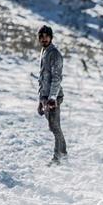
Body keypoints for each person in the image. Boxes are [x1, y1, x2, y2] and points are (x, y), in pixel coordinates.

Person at [36, 25, 67, 165]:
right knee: (53, 126)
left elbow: (56, 78)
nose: (43, 39)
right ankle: (63, 154)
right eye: (41, 36)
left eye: (46, 36)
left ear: (51, 37)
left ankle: (58, 157)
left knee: (55, 127)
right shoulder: (44, 51)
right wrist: (41, 99)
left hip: (53, 98)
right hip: (46, 97)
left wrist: (52, 98)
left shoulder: (54, 54)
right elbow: (43, 78)